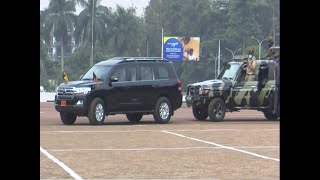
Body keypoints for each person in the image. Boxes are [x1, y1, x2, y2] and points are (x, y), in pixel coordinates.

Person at [273, 51, 280, 116]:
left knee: (277, 99)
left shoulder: (275, 64)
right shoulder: (276, 63)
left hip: (278, 84)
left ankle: (276, 111)